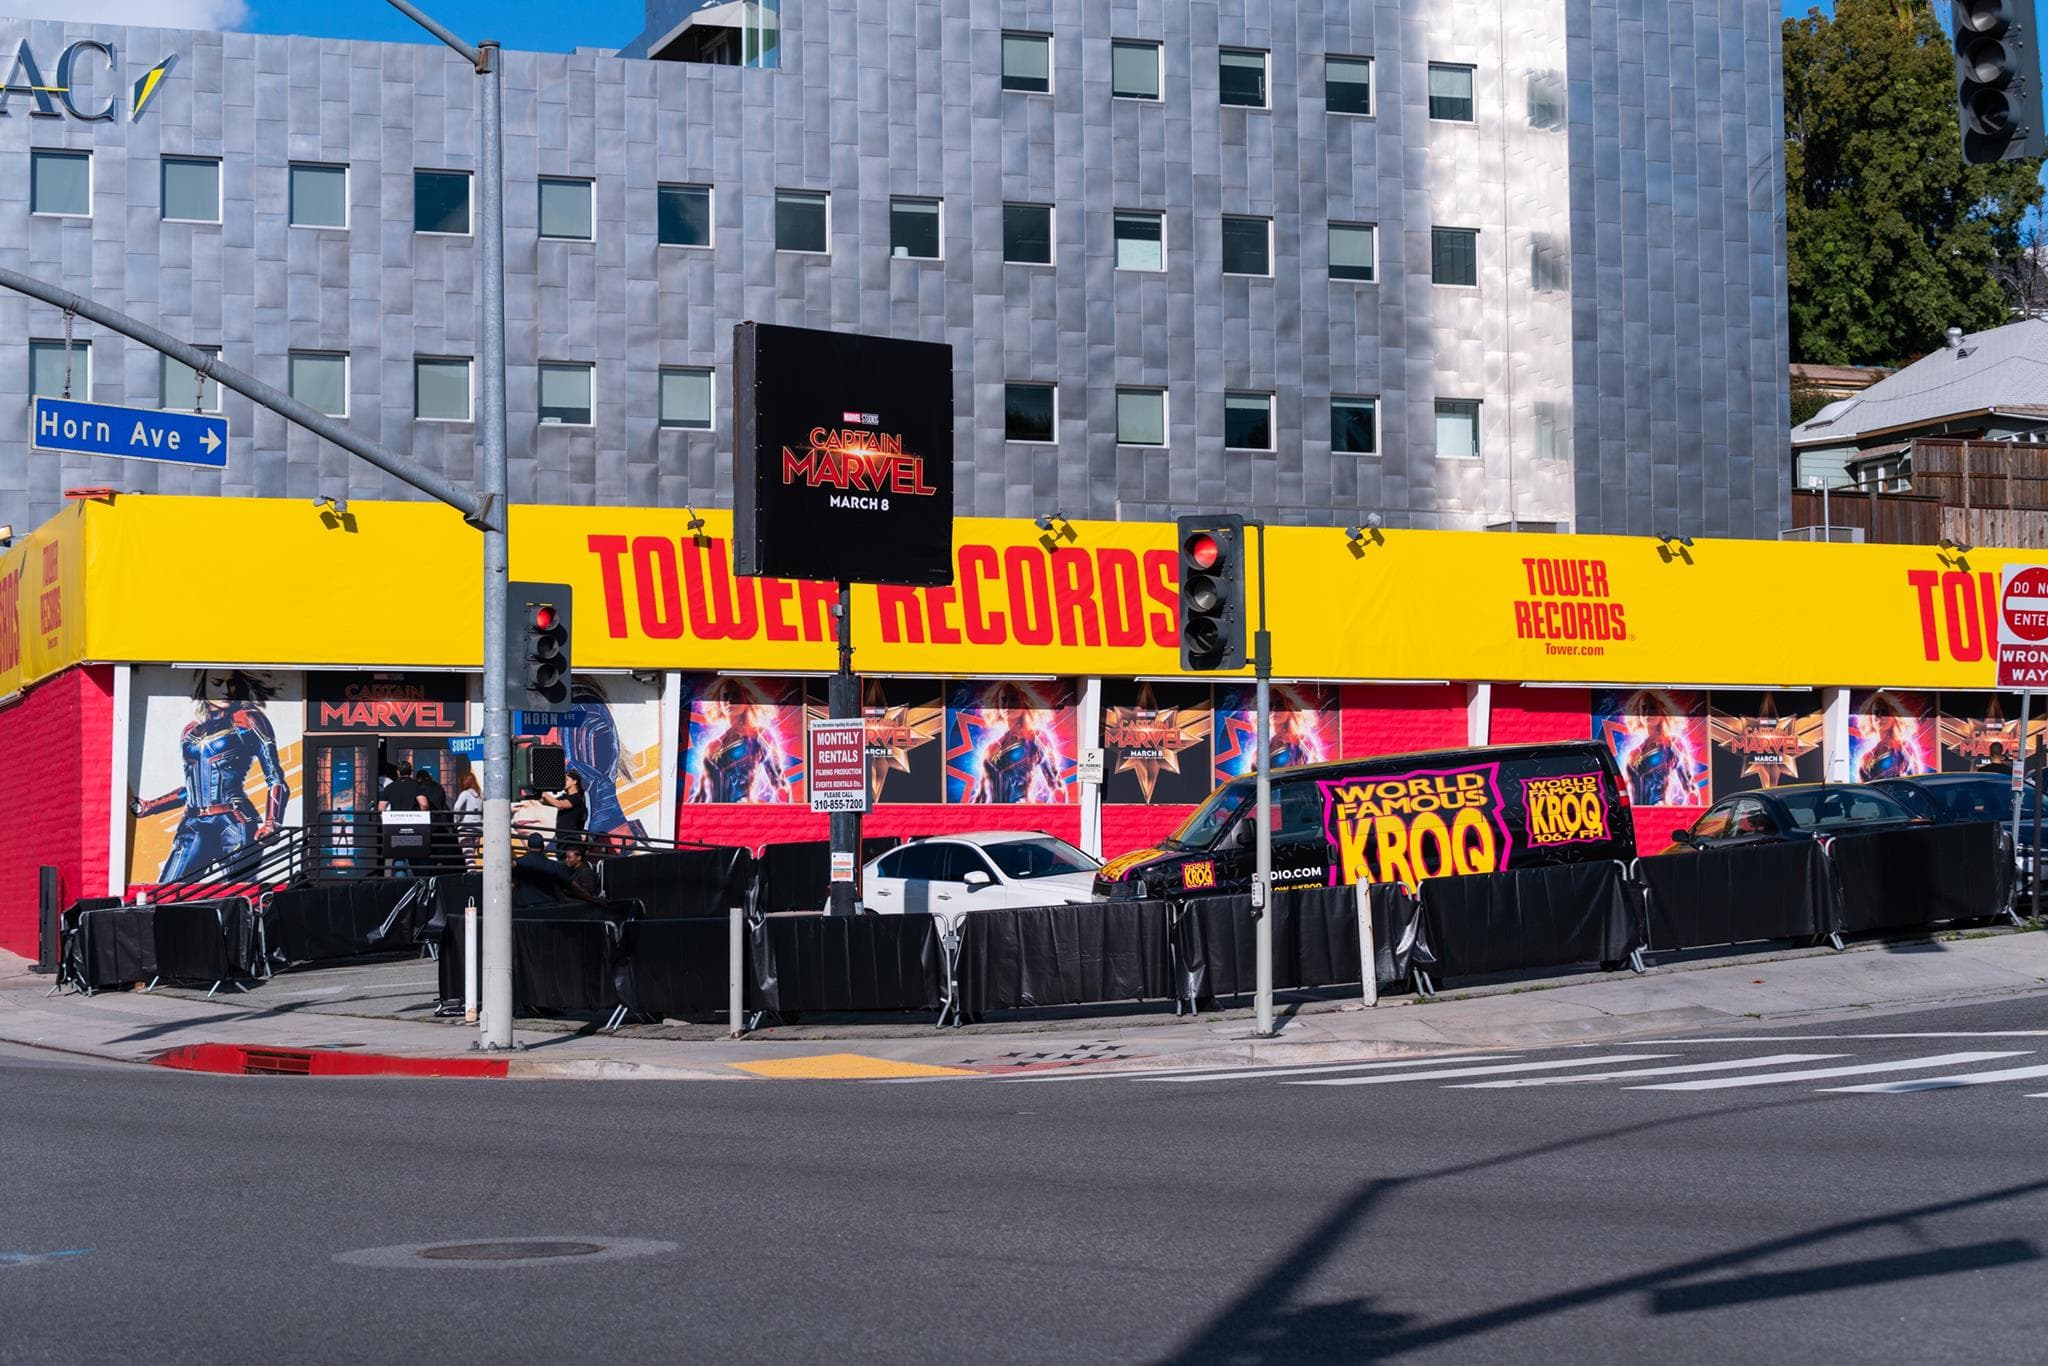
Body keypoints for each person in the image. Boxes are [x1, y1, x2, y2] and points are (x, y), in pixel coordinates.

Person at [132, 671, 290, 881]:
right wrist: (150, 807)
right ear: (203, 686)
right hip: (194, 822)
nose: (226, 690)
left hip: (234, 821)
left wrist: (272, 822)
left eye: (232, 684)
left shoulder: (248, 720)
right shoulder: (190, 731)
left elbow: (275, 778)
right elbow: (192, 788)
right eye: (217, 683)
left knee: (237, 896)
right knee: (166, 893)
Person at [689, 683, 792, 803]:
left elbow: (779, 782)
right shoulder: (711, 746)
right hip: (713, 817)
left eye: (736, 696)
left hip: (743, 813)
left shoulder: (759, 734)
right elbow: (701, 794)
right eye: (725, 696)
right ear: (719, 703)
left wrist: (782, 816)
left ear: (746, 700)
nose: (730, 701)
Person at [971, 685, 1066, 803]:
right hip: (992, 816)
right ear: (998, 705)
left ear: (1024, 703)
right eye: (1003, 700)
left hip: (1022, 814)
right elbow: (982, 795)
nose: (1008, 704)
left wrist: (1056, 815)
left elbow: (1056, 784)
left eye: (1014, 699)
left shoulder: (1037, 737)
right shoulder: (991, 748)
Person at [538, 770, 588, 850]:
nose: (563, 782)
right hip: (561, 837)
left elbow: (559, 804)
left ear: (574, 781)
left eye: (566, 779)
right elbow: (546, 802)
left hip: (571, 838)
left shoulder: (577, 798)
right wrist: (539, 792)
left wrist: (544, 794)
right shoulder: (564, 797)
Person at [451, 769, 483, 867]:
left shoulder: (465, 793)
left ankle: (471, 873)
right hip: (478, 828)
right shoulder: (481, 795)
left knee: (468, 856)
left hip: (466, 828)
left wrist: (456, 822)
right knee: (474, 854)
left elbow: (457, 807)